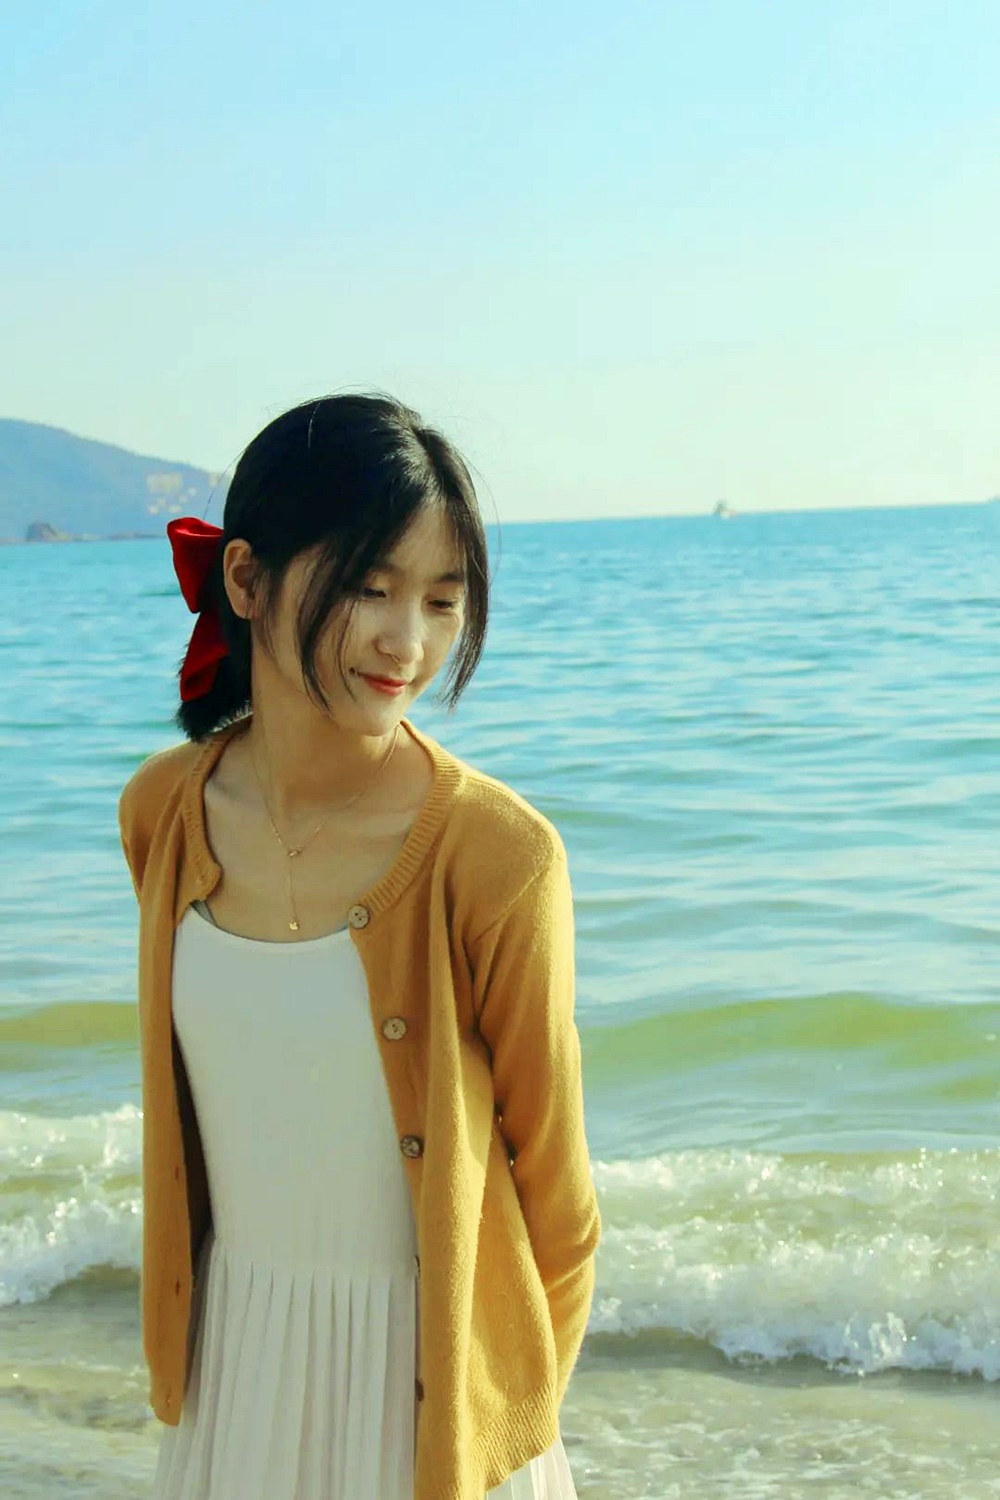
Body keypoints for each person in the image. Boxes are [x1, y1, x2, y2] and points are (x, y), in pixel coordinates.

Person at [117, 392, 602, 1500]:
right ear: (246, 579)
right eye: (369, 588)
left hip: (435, 1408)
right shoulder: (162, 815)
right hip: (237, 1380)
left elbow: (559, 1202)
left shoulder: (497, 854)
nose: (407, 641)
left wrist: (506, 1432)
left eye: (442, 600)